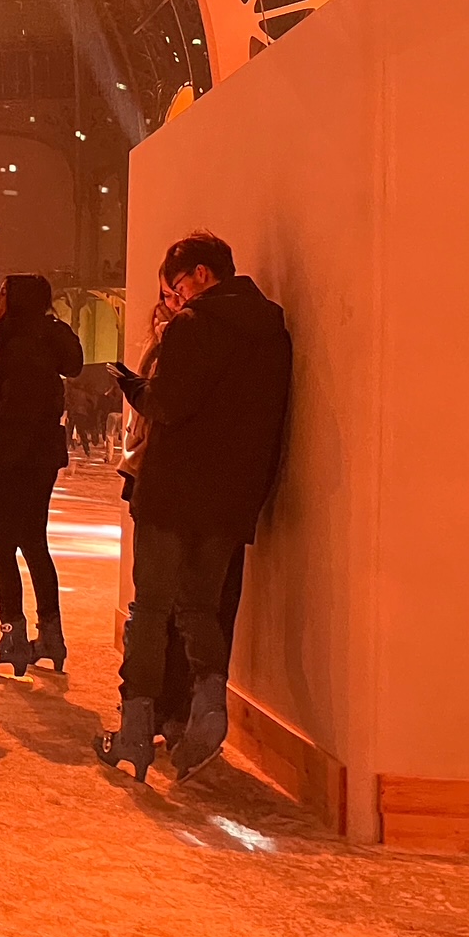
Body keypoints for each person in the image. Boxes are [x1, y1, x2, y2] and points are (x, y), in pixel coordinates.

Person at [95, 231, 292, 784]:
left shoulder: (194, 325)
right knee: (200, 609)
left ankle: (134, 733)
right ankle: (208, 711)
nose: (178, 297)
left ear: (202, 274)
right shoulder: (273, 330)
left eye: (178, 285)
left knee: (151, 610)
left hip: (173, 492)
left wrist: (135, 387)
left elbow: (170, 404)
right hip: (230, 499)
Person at [0, 274, 84, 677]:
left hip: (9, 456)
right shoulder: (49, 334)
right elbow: (61, 373)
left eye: (2, 292)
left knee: (1, 547)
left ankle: (12, 638)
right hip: (42, 457)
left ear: (17, 300)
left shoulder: (12, 335)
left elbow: (9, 395)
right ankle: (51, 636)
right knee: (35, 543)